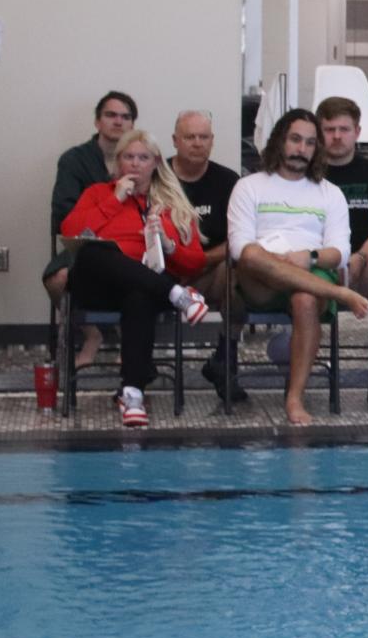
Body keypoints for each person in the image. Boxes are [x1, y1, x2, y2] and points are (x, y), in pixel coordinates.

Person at [226, 109, 368, 425]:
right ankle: (337, 292)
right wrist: (278, 261)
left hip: (309, 269)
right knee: (250, 255)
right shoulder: (249, 187)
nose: (301, 149)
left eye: (309, 142)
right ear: (279, 140)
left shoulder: (329, 194)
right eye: (295, 139)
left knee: (305, 298)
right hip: (260, 279)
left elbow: (341, 252)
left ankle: (295, 398)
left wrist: (310, 258)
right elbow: (239, 248)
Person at [60, 128, 211, 427]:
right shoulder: (98, 193)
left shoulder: (171, 203)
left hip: (144, 288)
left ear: (155, 163)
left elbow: (196, 261)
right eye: (128, 157)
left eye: (143, 157)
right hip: (96, 283)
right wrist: (113, 201)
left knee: (139, 295)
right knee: (93, 251)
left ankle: (132, 394)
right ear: (118, 162)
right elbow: (71, 232)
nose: (135, 164)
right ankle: (178, 296)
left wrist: (168, 246)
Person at [44, 91, 138, 368]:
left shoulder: (141, 158)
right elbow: (65, 215)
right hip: (84, 246)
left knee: (137, 274)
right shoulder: (74, 160)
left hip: (130, 246)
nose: (118, 122)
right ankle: (92, 334)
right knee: (58, 278)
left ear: (133, 124)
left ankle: (129, 336)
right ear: (97, 122)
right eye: (111, 115)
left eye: (126, 117)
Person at [168, 110, 242, 399]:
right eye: (190, 137)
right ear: (175, 141)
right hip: (165, 274)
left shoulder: (228, 181)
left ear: (212, 142)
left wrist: (198, 261)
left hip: (210, 271)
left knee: (235, 275)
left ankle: (225, 358)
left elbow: (238, 238)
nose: (197, 143)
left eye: (203, 137)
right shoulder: (158, 177)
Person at [315, 95, 368, 344]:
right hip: (319, 264)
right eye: (329, 129)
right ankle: (297, 340)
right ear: (319, 133)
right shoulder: (305, 175)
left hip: (364, 265)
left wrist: (360, 257)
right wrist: (333, 259)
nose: (337, 136)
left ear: (357, 131)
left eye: (344, 129)